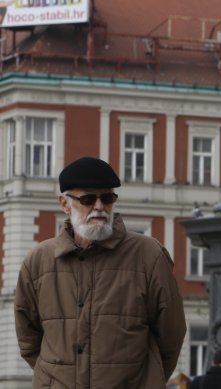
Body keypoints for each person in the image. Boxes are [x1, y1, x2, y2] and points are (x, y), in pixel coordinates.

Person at [14, 156, 187, 388]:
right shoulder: (38, 261)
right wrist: (57, 377)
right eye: (87, 199)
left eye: (107, 198)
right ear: (64, 204)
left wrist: (146, 379)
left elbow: (171, 334)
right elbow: (28, 338)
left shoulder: (148, 255)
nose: (99, 207)